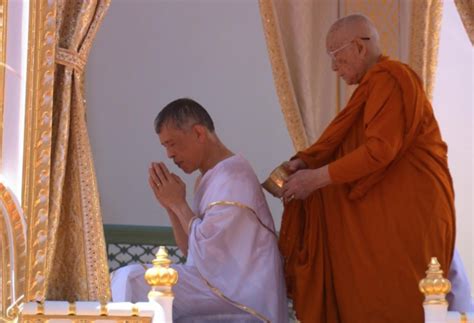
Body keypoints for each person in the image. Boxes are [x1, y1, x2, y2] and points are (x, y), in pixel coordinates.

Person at [278, 14, 458, 322]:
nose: (334, 67)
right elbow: (345, 143)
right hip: (387, 216)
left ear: (360, 48)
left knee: (397, 301)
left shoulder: (390, 79)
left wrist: (315, 179)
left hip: (409, 215)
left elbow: (379, 151)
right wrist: (310, 159)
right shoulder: (372, 88)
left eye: (336, 56)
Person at [111, 98, 288, 322]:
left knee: (132, 280)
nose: (169, 155)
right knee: (133, 281)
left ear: (198, 133)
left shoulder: (233, 177)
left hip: (240, 299)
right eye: (165, 147)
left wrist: (178, 203)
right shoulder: (211, 177)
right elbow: (190, 251)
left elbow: (207, 250)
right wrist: (170, 205)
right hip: (217, 285)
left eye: (172, 144)